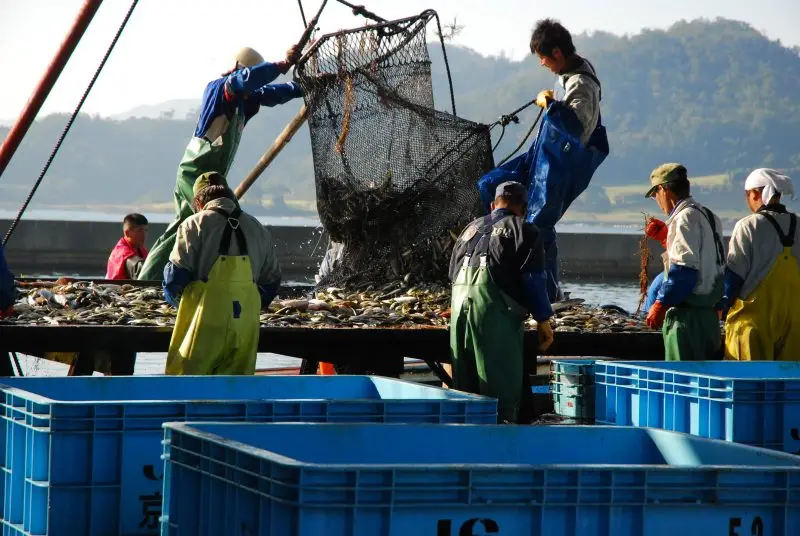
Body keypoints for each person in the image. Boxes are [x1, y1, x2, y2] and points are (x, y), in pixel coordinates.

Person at [138, 45, 305, 281]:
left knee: (181, 227)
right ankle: (159, 279)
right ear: (238, 70)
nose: (253, 89)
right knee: (227, 216)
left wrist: (303, 88)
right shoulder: (219, 88)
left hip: (209, 175)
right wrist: (281, 66)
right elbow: (244, 80)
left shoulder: (244, 100)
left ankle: (146, 280)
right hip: (195, 172)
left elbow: (274, 93)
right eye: (250, 77)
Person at [477, 19, 609, 303]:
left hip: (561, 166)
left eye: (543, 58)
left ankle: (548, 293)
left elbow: (574, 126)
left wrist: (549, 105)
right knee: (489, 184)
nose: (542, 64)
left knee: (539, 225)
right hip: (542, 154)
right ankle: (503, 258)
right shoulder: (571, 69)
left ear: (558, 53)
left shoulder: (582, 84)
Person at [449, 181, 555, 424]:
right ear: (524, 208)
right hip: (494, 319)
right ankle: (500, 449)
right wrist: (543, 320)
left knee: (464, 392)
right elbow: (534, 279)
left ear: (492, 205)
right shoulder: (525, 230)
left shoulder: (470, 229)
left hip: (459, 316)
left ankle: (462, 448)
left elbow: (453, 277)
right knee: (499, 394)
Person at [162, 171, 281, 375]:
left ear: (199, 201)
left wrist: (177, 303)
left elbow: (175, 277)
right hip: (245, 324)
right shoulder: (257, 227)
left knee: (187, 385)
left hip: (205, 321)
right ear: (229, 196)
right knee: (236, 390)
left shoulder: (194, 223)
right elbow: (271, 281)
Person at [644, 163, 725, 361]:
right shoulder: (708, 215)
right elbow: (706, 261)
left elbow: (684, 271)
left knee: (683, 383)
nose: (656, 200)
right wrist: (667, 238)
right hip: (708, 319)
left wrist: (660, 304)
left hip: (687, 322)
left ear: (664, 189)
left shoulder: (683, 219)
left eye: (655, 193)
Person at [720, 169, 800, 361]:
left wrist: (723, 303)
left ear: (755, 193)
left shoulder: (748, 225)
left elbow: (735, 274)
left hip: (754, 323)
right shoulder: (799, 224)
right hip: (795, 323)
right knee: (788, 384)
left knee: (750, 384)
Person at [105, 213, 149, 280]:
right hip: (117, 289)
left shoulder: (140, 248)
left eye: (145, 230)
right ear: (127, 233)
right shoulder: (122, 252)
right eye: (139, 231)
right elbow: (137, 265)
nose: (144, 235)